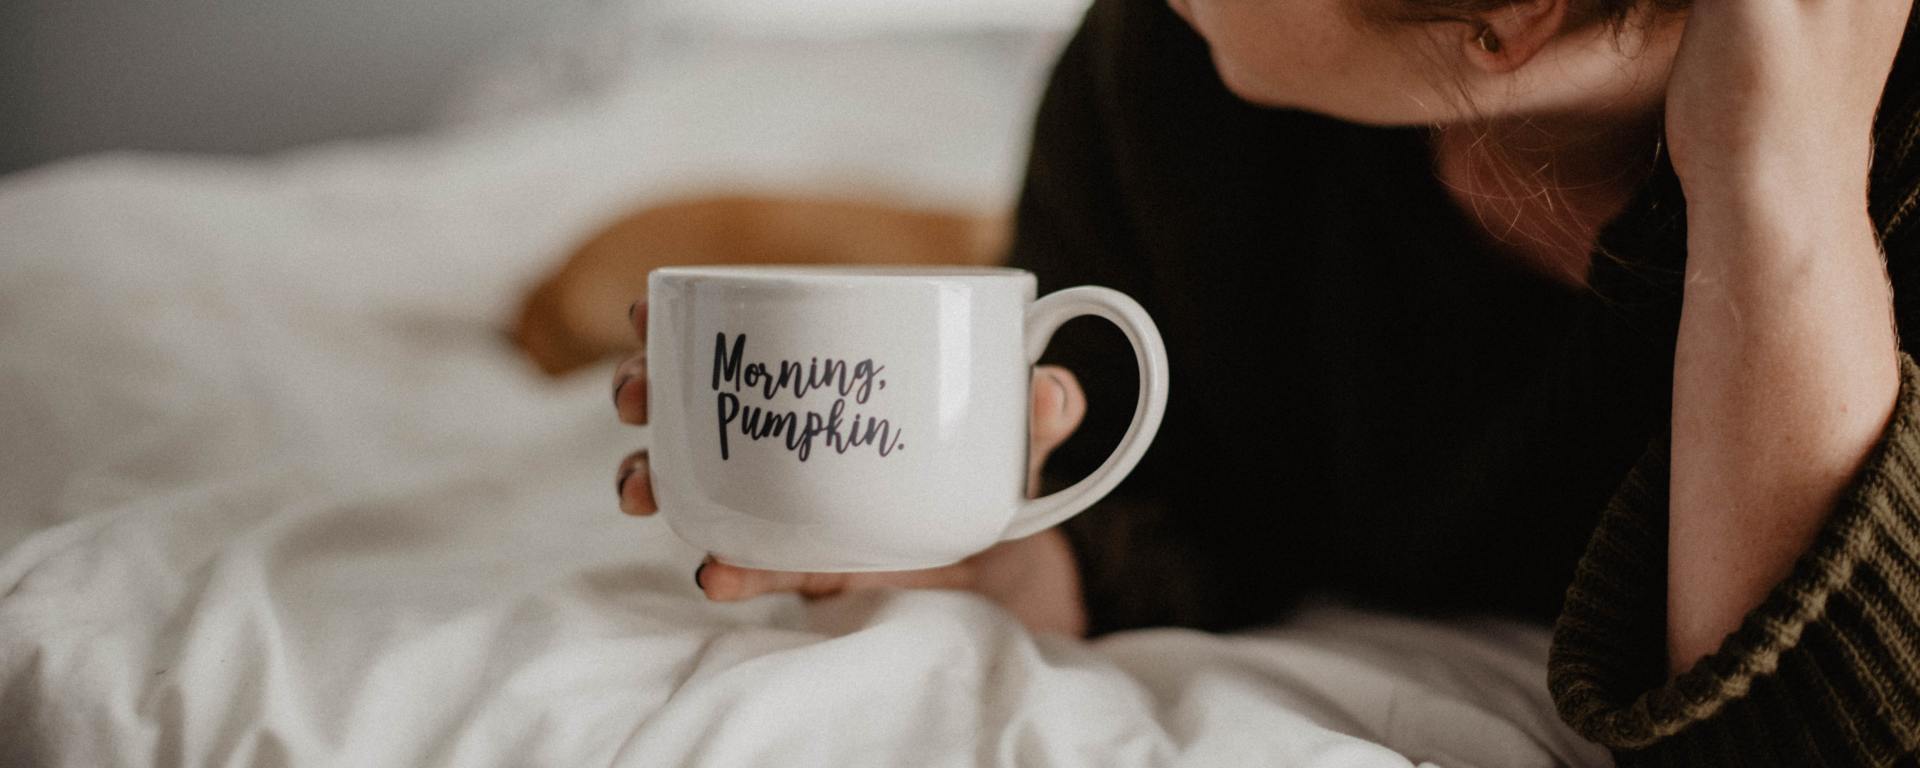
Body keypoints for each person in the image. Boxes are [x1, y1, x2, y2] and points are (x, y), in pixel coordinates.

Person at [610, 0, 1920, 761]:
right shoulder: (1161, 80)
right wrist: (1031, 554)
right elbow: (1205, 498)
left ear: (1507, 21)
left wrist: (1781, 172)